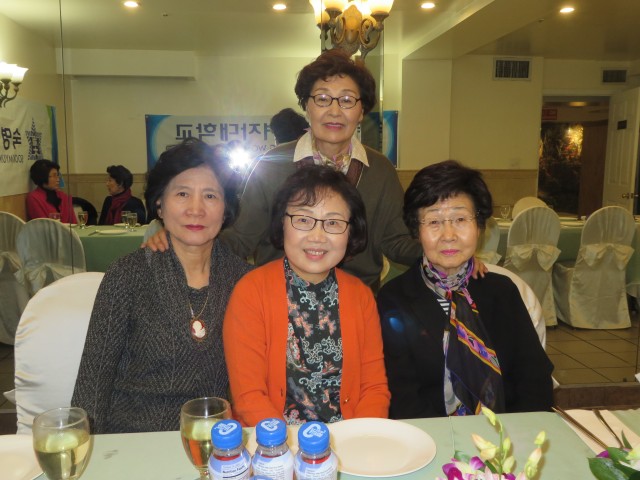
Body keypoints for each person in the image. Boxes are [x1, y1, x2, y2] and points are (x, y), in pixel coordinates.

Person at [146, 49, 422, 290]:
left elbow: (396, 241)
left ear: (361, 111)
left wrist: (440, 247)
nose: (335, 111)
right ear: (306, 106)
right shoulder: (271, 165)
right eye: (322, 98)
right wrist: (183, 242)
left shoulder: (380, 170)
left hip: (357, 302)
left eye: (347, 100)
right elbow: (241, 239)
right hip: (279, 302)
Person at [72, 138, 252, 433]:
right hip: (134, 440)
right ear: (159, 204)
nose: (196, 209)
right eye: (182, 193)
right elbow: (92, 384)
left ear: (225, 209)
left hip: (215, 442)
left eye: (210, 195)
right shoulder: (128, 276)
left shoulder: (243, 281)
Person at [377, 160, 553, 419]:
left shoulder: (503, 292)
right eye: (434, 221)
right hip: (431, 437)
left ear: (479, 226)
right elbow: (402, 397)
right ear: (416, 230)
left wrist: (515, 434)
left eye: (460, 219)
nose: (448, 235)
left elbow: (534, 379)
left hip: (508, 434)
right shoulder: (394, 299)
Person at [223, 165, 390, 427]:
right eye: (303, 219)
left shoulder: (360, 295)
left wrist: (359, 438)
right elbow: (249, 397)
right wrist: (282, 445)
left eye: (333, 223)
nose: (317, 236)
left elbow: (374, 388)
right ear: (282, 223)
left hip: (350, 438)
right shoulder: (251, 291)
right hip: (274, 440)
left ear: (350, 231)